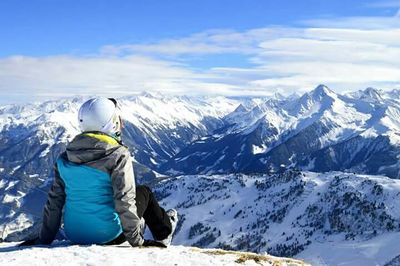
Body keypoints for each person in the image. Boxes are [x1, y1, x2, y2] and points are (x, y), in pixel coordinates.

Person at [21, 97, 178, 247]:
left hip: (74, 234)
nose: (121, 124)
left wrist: (44, 239)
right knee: (144, 192)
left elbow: (54, 202)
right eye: (117, 120)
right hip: (109, 235)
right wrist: (137, 241)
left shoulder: (65, 158)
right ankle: (164, 234)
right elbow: (124, 199)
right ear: (112, 124)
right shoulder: (117, 155)